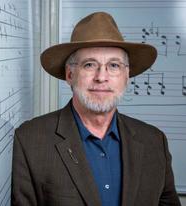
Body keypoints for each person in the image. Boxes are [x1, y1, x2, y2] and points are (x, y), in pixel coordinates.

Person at [12, 12, 180, 206]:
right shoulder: (30, 140)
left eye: (114, 65)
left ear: (126, 76)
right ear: (70, 74)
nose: (101, 77)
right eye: (89, 65)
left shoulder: (154, 141)